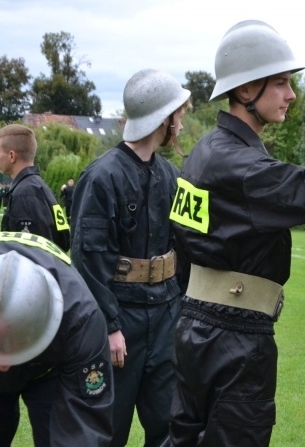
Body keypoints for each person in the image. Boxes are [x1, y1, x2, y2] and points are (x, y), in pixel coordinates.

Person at [166, 19, 305, 446]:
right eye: (280, 83)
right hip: (236, 337)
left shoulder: (205, 153)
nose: (291, 95)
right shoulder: (240, 166)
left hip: (195, 328)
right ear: (246, 90)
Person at [70, 69, 191, 447]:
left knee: (169, 426)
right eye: (180, 114)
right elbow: (89, 258)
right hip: (122, 321)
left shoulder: (173, 177)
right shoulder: (101, 177)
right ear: (164, 118)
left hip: (168, 314)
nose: (183, 123)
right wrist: (109, 327)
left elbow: (187, 247)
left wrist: (185, 311)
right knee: (107, 429)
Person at [0, 232, 114, 447]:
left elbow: (84, 428)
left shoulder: (81, 319)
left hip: (50, 369)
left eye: (10, 345)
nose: (3, 365)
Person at [0, 125, 70, 252]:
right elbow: (64, 240)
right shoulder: (40, 186)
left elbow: (29, 255)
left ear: (11, 156)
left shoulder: (25, 194)